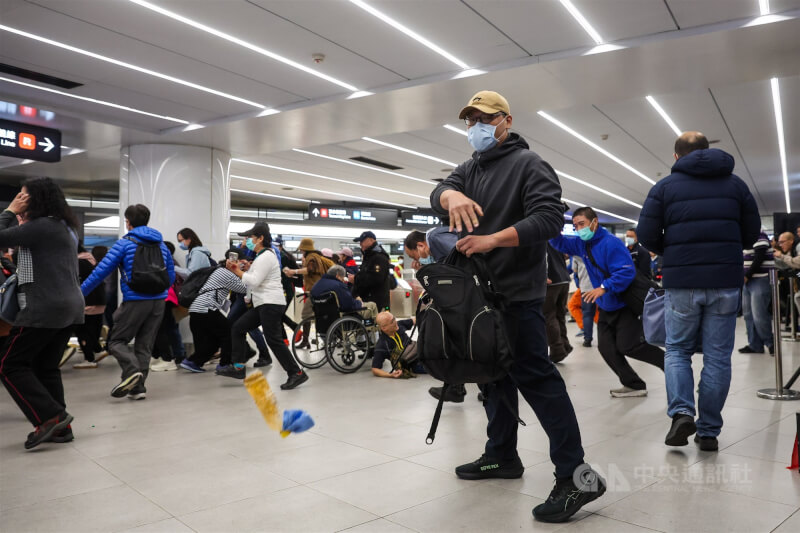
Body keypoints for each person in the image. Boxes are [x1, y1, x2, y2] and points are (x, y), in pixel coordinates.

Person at [430, 90, 603, 523]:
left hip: (517, 293)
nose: (475, 127)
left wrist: (493, 237)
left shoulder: (530, 165)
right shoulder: (471, 167)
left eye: (483, 119)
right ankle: (501, 454)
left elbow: (547, 219)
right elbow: (442, 189)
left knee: (536, 378)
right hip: (479, 294)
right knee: (492, 376)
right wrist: (449, 197)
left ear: (505, 120)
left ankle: (577, 477)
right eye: (469, 120)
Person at [638, 131, 760, 452]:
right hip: (725, 280)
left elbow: (646, 234)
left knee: (677, 350)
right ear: (708, 152)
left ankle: (681, 413)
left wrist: (673, 250)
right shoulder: (737, 186)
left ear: (677, 157)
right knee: (718, 357)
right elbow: (751, 234)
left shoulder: (665, 187)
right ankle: (708, 432)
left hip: (682, 281)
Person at [0, 178, 85, 448]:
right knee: (45, 367)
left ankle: (50, 418)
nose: (20, 200)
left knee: (8, 364)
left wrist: (10, 211)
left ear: (37, 200)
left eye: (23, 196)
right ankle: (62, 429)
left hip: (45, 308)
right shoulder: (64, 227)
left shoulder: (42, 226)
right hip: (69, 307)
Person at [551, 207, 665, 397]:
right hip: (605, 305)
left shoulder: (610, 243)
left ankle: (671, 365)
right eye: (576, 225)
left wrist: (603, 287)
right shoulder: (582, 243)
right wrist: (552, 223)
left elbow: (626, 271)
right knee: (606, 348)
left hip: (622, 304)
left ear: (594, 222)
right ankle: (634, 384)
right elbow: (561, 244)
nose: (579, 229)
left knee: (630, 346)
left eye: (582, 224)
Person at [81, 204, 175, 400]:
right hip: (159, 302)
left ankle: (132, 372)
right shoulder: (162, 245)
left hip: (135, 301)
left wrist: (80, 293)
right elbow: (171, 276)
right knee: (144, 344)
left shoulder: (124, 244)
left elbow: (100, 273)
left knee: (115, 341)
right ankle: (138, 388)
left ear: (128, 222)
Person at [221, 222, 309, 390]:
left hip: (270, 303)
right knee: (238, 327)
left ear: (261, 238)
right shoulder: (262, 256)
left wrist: (237, 271)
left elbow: (253, 281)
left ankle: (296, 373)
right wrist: (247, 268)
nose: (248, 241)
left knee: (274, 340)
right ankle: (238, 367)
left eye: (251, 238)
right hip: (264, 303)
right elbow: (255, 276)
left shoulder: (267, 256)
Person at [404, 228, 471, 402]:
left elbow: (464, 259)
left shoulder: (435, 238)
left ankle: (459, 387)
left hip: (469, 296)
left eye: (414, 256)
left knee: (458, 339)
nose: (416, 260)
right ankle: (461, 386)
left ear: (420, 245)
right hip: (466, 295)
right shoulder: (436, 245)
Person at [180, 261, 248, 373]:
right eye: (240, 263)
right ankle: (224, 364)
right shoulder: (226, 273)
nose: (242, 266)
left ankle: (193, 362)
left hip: (196, 308)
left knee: (212, 340)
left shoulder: (216, 270)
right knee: (228, 333)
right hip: (207, 307)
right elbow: (244, 288)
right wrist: (245, 275)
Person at [283, 238, 333, 349]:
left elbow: (310, 270)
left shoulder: (311, 256)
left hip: (315, 291)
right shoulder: (316, 256)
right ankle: (311, 340)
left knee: (306, 315)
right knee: (316, 316)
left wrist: (294, 271)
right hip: (317, 290)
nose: (300, 251)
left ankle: (310, 340)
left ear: (304, 248)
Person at [72, 245, 108, 369]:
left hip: (87, 300)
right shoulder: (91, 260)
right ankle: (97, 349)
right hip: (100, 299)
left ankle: (89, 358)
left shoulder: (78, 262)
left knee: (82, 330)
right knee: (94, 328)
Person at [739, 230, 774, 355]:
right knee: (748, 315)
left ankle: (771, 343)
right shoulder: (746, 237)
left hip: (760, 278)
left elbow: (760, 257)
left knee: (759, 314)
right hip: (748, 281)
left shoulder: (759, 235)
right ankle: (755, 345)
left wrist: (747, 275)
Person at [311, 265, 378, 322]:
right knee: (372, 305)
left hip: (323, 319)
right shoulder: (338, 285)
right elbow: (348, 304)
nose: (343, 280)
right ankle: (373, 331)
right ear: (337, 276)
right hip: (341, 317)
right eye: (342, 277)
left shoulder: (316, 285)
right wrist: (359, 302)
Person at [372, 311, 423, 378]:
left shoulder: (399, 325)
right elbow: (375, 369)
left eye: (394, 318)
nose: (395, 322)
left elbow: (415, 320)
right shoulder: (382, 344)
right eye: (392, 321)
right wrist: (390, 375)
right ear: (384, 328)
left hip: (420, 351)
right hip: (413, 364)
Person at [544, 244, 572, 362]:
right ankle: (565, 346)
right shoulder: (554, 239)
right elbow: (565, 255)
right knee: (559, 316)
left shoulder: (540, 238)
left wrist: (543, 275)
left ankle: (557, 351)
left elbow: (542, 257)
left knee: (549, 317)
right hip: (564, 280)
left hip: (551, 281)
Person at [352, 231, 392, 311]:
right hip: (369, 301)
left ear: (371, 240)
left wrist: (356, 279)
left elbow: (376, 278)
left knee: (378, 322)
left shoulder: (379, 257)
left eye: (362, 241)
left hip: (377, 303)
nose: (360, 244)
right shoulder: (369, 256)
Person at [572, 255, 595, 348]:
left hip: (586, 287)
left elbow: (575, 270)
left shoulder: (576, 253)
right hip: (601, 287)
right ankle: (609, 337)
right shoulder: (599, 247)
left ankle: (587, 339)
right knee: (605, 312)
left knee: (587, 314)